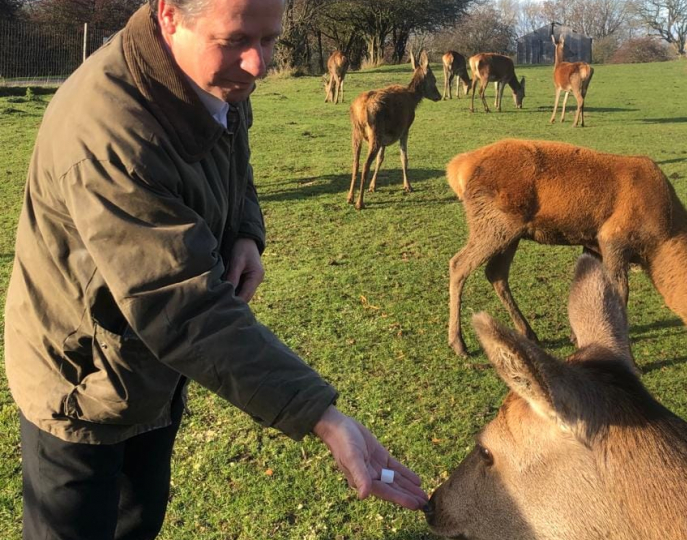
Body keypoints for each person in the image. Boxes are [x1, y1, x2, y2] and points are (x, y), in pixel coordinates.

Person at [3, 0, 428, 537]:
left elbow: (234, 155)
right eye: (235, 42)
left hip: (151, 371)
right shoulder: (112, 133)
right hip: (81, 383)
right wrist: (322, 415)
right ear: (170, 16)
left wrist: (246, 232)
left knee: (139, 519)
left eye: (270, 40)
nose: (258, 64)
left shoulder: (215, 81)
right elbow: (181, 306)